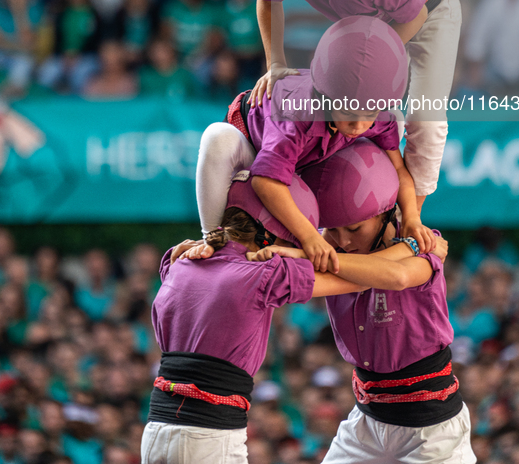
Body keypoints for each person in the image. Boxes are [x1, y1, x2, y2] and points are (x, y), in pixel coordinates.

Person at [143, 171, 435, 464]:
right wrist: (412, 246)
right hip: (209, 435)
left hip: (156, 428)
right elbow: (362, 278)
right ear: (270, 236)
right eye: (293, 238)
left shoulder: (178, 261)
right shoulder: (266, 272)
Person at [247, 0, 462, 214]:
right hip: (374, 18)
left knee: (425, 117)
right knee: (361, 103)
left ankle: (412, 215)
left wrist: (376, 62)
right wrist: (275, 63)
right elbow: (267, 0)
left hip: (428, 11)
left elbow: (415, 17)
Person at [272, 139, 474, 464]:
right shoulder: (331, 253)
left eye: (353, 227)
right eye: (330, 231)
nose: (343, 240)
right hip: (366, 422)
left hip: (432, 428)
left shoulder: (424, 246)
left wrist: (305, 254)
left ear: (385, 215)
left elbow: (396, 278)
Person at [196, 14, 435, 278]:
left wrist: (412, 218)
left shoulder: (380, 116)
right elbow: (264, 181)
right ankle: (210, 240)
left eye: (370, 111)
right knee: (218, 138)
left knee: (398, 121)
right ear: (325, 93)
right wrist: (310, 237)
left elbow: (400, 171)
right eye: (347, 109)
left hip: (306, 158)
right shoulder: (298, 115)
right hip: (253, 147)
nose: (357, 123)